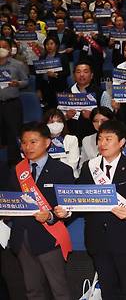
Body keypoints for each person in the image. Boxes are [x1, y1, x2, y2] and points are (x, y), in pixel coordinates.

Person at [56, 120, 126, 299]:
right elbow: (79, 199)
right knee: (106, 287)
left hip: (124, 237)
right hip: (97, 238)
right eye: (100, 139)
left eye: (108, 139)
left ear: (122, 142)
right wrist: (67, 212)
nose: (102, 143)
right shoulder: (89, 167)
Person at [8, 122, 74, 300]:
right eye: (24, 142)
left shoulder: (63, 171)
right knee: (32, 291)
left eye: (33, 142)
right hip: (22, 238)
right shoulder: (16, 171)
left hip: (49, 237)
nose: (27, 147)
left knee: (59, 290)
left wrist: (51, 215)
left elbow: (68, 208)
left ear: (47, 142)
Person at [0, 38, 28, 165]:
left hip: (12, 103)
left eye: (4, 46)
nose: (1, 49)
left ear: (10, 49)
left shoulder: (17, 64)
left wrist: (18, 83)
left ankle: (14, 163)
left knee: (13, 133)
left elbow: (26, 81)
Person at [65, 60, 104, 144]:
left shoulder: (101, 93)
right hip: (71, 138)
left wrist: (93, 116)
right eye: (78, 72)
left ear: (92, 75)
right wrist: (66, 116)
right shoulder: (66, 94)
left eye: (85, 72)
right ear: (74, 75)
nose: (81, 75)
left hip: (95, 138)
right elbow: (59, 118)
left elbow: (108, 118)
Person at [36, 35, 70, 110]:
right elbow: (38, 75)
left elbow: (67, 72)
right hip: (45, 86)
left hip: (58, 86)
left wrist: (56, 75)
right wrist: (38, 89)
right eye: (47, 44)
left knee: (58, 108)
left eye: (51, 44)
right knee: (47, 109)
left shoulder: (62, 57)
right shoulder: (42, 57)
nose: (49, 46)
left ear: (56, 45)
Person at [42, 109, 80, 174]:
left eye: (59, 121)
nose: (56, 124)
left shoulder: (71, 139)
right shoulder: (41, 141)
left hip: (67, 176)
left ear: (63, 123)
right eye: (51, 122)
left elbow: (73, 165)